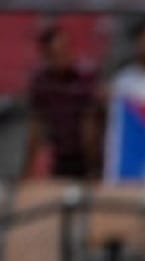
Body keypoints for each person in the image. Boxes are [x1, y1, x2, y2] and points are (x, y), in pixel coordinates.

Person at [24, 23, 101, 179]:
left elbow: (91, 128)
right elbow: (36, 127)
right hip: (61, 155)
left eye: (67, 49)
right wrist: (28, 171)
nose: (66, 56)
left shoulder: (86, 75)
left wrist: (94, 167)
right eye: (57, 53)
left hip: (90, 154)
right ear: (46, 55)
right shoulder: (40, 80)